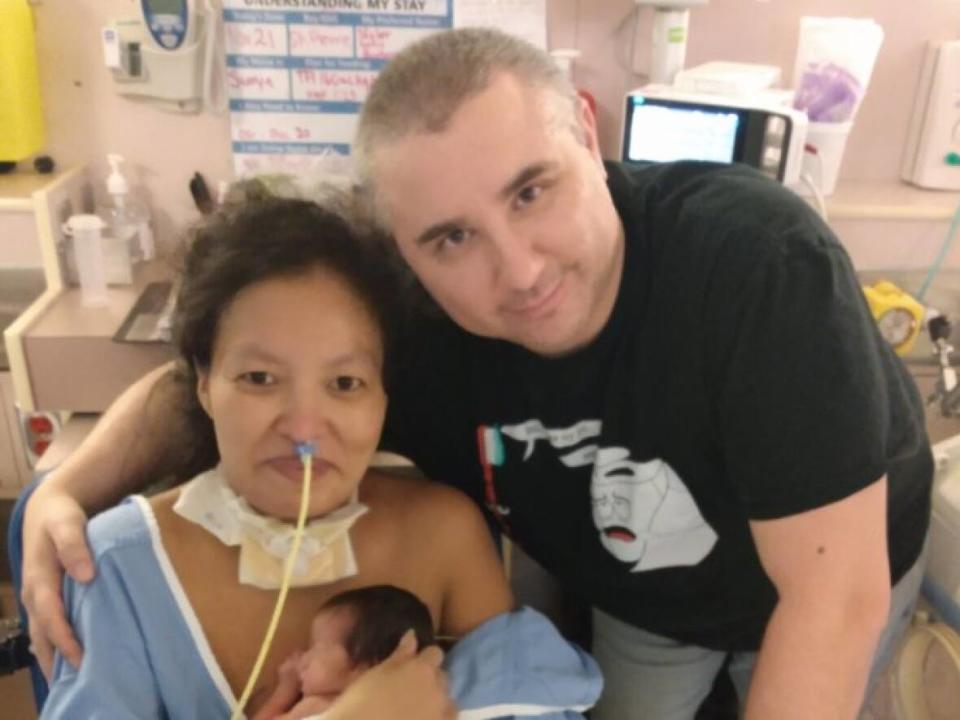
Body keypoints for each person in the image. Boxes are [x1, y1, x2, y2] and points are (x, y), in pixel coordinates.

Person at [22, 27, 932, 720]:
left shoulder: (752, 266)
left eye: (531, 191)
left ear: (584, 126)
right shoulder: (411, 336)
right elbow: (206, 386)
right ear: (408, 251)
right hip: (644, 599)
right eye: (451, 238)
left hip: (831, 572)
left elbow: (833, 600)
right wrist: (62, 493)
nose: (520, 273)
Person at [251, 585, 437, 719]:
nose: (304, 658)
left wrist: (285, 690)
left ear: (368, 666)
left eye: (317, 647)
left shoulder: (317, 707)